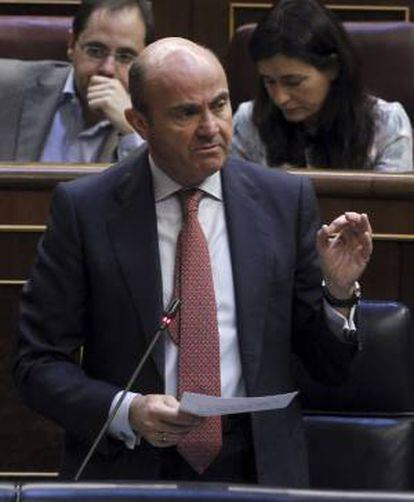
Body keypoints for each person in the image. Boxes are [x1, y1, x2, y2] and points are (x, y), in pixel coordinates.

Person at [14, 37, 372, 487]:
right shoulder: (86, 211)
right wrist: (128, 410)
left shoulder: (284, 202)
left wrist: (337, 294)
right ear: (140, 123)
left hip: (257, 468)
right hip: (132, 467)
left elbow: (328, 367)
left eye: (219, 105)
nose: (211, 128)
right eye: (186, 113)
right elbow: (38, 366)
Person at [231, 0, 413, 172]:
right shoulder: (248, 121)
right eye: (269, 81)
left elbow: (391, 205)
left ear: (333, 68)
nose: (280, 98)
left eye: (293, 82)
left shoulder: (387, 124)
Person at [0, 0, 153, 163]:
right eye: (95, 51)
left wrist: (130, 130)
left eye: (125, 56)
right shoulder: (9, 85)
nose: (107, 69)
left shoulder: (157, 118)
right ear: (72, 45)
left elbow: (151, 184)